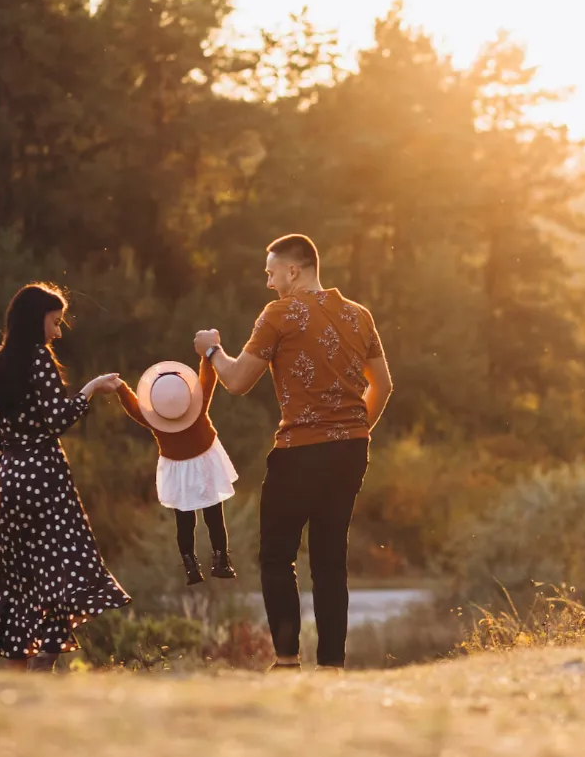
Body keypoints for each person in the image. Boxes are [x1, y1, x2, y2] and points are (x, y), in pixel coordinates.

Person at [193, 234, 393, 671]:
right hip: (351, 451)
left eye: (270, 272)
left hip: (299, 452)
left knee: (277, 556)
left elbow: (238, 381)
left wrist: (211, 349)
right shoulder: (359, 315)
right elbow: (385, 384)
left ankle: (286, 661)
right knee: (329, 559)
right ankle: (331, 667)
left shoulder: (279, 314)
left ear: (293, 270)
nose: (268, 283)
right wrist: (353, 431)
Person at [0, 283, 131, 671]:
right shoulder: (38, 358)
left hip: (12, 479)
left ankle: (18, 673)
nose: (58, 333)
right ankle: (45, 660)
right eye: (55, 323)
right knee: (64, 566)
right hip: (45, 476)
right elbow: (58, 418)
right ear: (36, 320)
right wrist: (93, 388)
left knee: (20, 579)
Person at [114, 357, 239, 585]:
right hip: (205, 463)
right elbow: (208, 381)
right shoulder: (198, 407)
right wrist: (206, 357)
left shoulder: (156, 419)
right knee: (214, 515)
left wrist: (121, 388)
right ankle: (221, 562)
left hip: (177, 468)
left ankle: (191, 565)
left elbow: (133, 408)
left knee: (184, 520)